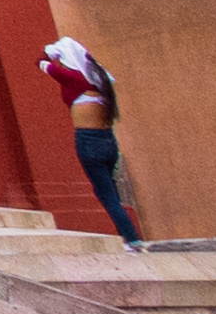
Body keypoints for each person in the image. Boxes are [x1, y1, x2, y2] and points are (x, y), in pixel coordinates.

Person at [41, 34, 145, 243]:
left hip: (89, 141)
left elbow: (41, 63)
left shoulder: (76, 80)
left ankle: (132, 239)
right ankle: (130, 237)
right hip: (109, 141)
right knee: (110, 192)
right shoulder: (102, 81)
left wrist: (51, 54)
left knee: (106, 194)